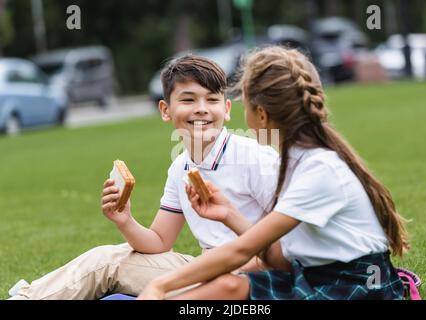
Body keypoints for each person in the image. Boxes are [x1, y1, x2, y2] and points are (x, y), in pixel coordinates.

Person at [138, 46, 409, 300]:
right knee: (228, 286)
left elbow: (240, 251)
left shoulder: (319, 169)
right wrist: (229, 214)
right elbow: (278, 258)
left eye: (244, 104)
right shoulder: (294, 162)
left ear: (262, 114)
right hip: (312, 275)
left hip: (353, 287)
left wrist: (160, 285)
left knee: (227, 284)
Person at [8, 55, 279, 300]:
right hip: (206, 269)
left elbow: (286, 248)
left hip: (251, 279)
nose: (201, 109)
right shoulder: (180, 168)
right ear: (165, 110)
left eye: (211, 100)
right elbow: (160, 242)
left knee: (112, 266)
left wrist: (212, 269)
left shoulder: (255, 158)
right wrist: (125, 221)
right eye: (188, 99)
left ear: (227, 108)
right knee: (108, 259)